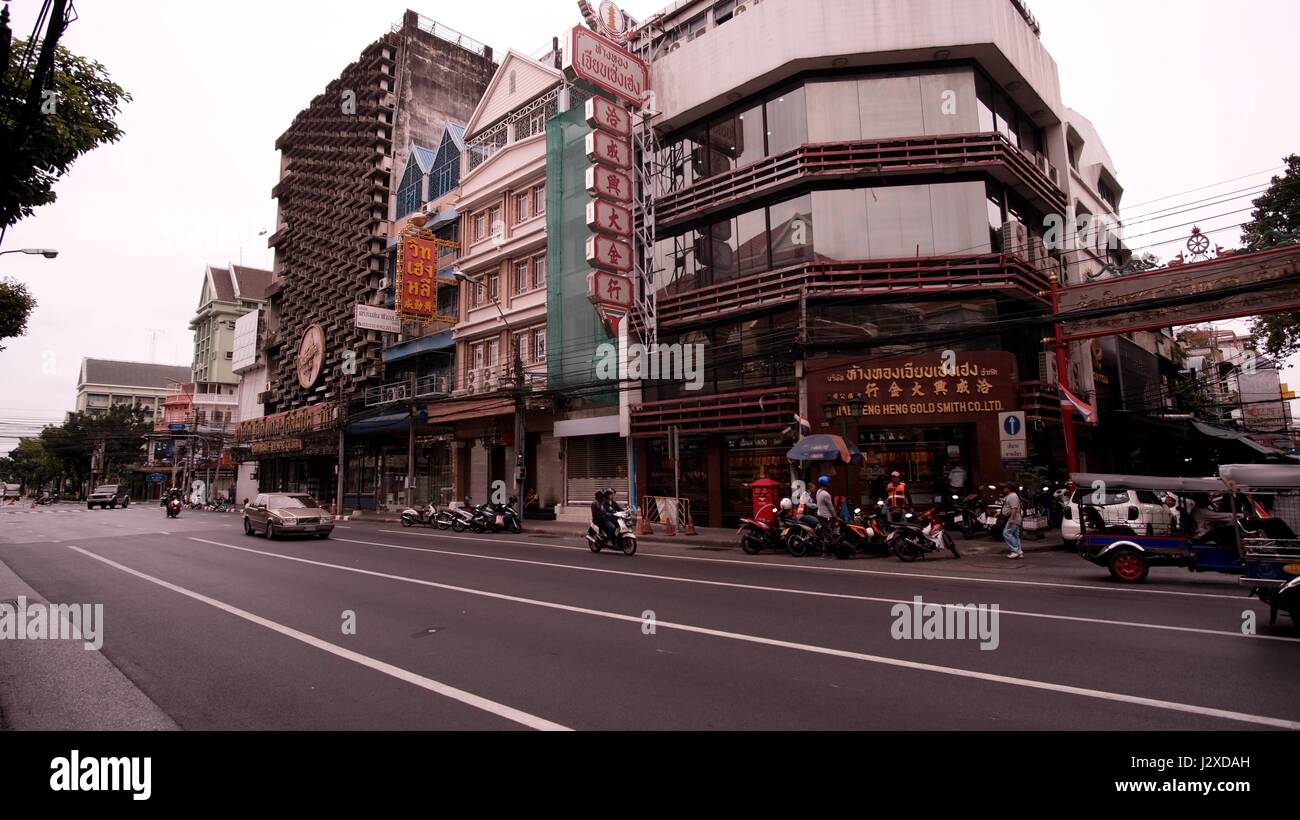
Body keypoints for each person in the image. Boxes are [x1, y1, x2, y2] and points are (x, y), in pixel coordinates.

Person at [1000, 483, 1024, 559]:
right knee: (1015, 535)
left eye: (1005, 487)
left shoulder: (1013, 496)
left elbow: (1014, 508)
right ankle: (1019, 551)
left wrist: (1012, 518)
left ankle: (1015, 551)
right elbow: (1008, 507)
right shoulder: (1011, 496)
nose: (1004, 489)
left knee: (1006, 533)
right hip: (1015, 517)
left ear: (1009, 488)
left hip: (1014, 518)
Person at [815, 476, 837, 559]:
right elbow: (831, 507)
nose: (830, 484)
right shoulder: (826, 494)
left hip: (820, 515)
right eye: (829, 482)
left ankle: (827, 553)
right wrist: (835, 516)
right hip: (825, 516)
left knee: (826, 534)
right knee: (828, 535)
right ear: (826, 483)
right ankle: (825, 554)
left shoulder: (818, 492)